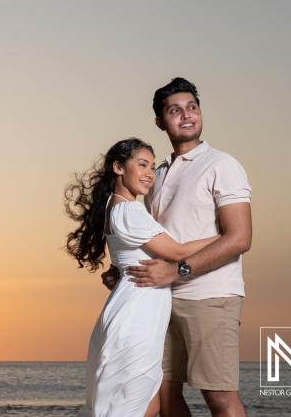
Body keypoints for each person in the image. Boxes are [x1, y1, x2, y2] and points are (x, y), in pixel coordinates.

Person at [103, 78, 252, 417]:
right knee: (164, 398)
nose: (186, 116)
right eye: (175, 110)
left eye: (192, 108)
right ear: (160, 121)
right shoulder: (156, 175)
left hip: (210, 297)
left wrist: (176, 269)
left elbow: (240, 238)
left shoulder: (221, 165)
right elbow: (152, 240)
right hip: (161, 301)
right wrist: (125, 271)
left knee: (220, 398)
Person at [65, 138, 222, 417]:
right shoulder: (129, 209)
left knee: (145, 400)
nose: (150, 173)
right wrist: (224, 236)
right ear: (118, 167)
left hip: (136, 305)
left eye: (152, 166)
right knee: (134, 402)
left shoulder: (116, 207)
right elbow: (177, 251)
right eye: (141, 165)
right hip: (138, 312)